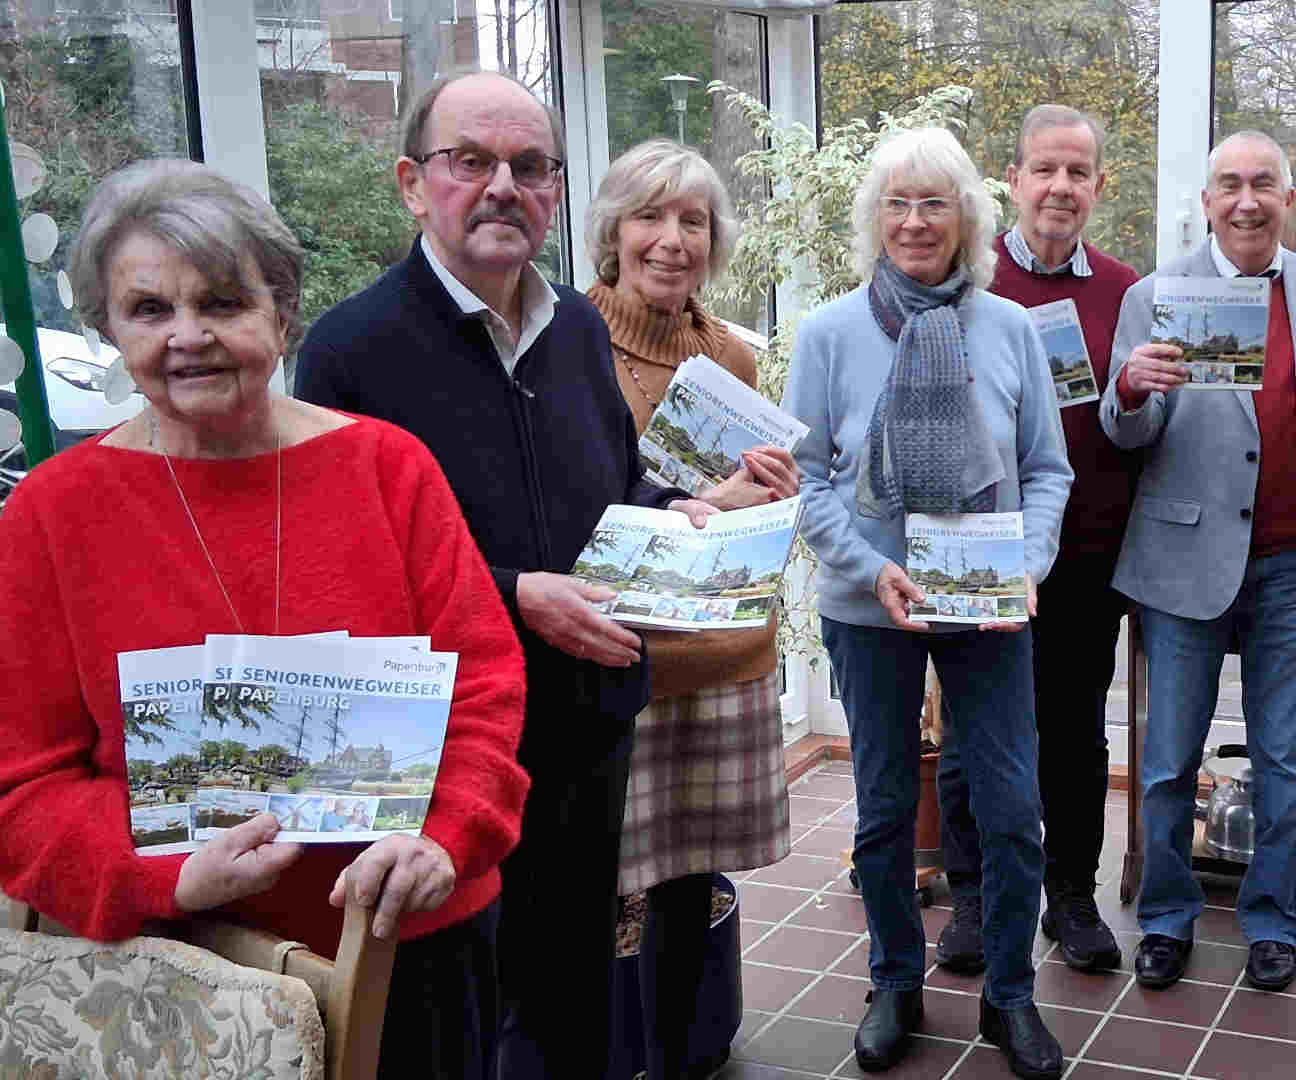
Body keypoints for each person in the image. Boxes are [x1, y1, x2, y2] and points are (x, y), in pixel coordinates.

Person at [0, 159, 529, 1079]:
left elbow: (484, 687)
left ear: (281, 313)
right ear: (106, 329)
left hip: (408, 940)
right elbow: (22, 783)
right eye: (150, 310)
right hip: (185, 963)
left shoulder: (386, 468)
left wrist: (446, 833)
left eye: (223, 302)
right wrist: (164, 875)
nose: (189, 337)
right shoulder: (51, 514)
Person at [293, 71, 713, 1080]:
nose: (501, 187)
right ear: (410, 182)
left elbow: (611, 489)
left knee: (572, 990)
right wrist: (521, 594)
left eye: (529, 167)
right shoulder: (348, 351)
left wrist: (678, 519)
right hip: (440, 755)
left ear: (556, 193)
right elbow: (345, 569)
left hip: (583, 724)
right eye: (469, 161)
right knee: (456, 1019)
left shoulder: (576, 327)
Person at [784, 126, 1073, 1080]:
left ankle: (1010, 997)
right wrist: (871, 569)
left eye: (934, 203)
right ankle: (895, 982)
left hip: (990, 605)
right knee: (883, 808)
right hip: (872, 605)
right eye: (898, 204)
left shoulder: (1012, 331)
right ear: (877, 218)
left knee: (1011, 808)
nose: (915, 222)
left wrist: (1030, 559)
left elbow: (1045, 469)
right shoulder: (829, 333)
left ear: (968, 219)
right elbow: (811, 475)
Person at [1100, 131, 1296, 992]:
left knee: (1285, 760)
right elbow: (1123, 433)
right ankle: (1167, 917)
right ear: (1205, 202)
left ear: (1289, 196)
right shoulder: (1156, 294)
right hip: (1181, 555)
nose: (1247, 201)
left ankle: (1273, 921)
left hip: (1292, 561)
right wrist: (1132, 388)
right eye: (1229, 186)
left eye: (1264, 185)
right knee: (1169, 758)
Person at [584, 138, 795, 1080]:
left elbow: (761, 505)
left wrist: (770, 491)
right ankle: (625, 1050)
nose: (672, 241)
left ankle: (698, 1041)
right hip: (620, 655)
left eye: (694, 221)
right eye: (650, 217)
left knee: (696, 870)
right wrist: (698, 505)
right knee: (615, 882)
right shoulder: (565, 340)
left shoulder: (733, 353)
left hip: (719, 653)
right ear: (611, 233)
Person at [934, 104, 1139, 977]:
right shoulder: (962, 283)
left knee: (1074, 730)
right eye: (1043, 170)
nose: (1060, 187)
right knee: (973, 728)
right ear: (1011, 180)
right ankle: (974, 898)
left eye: (1078, 173)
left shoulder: (1128, 290)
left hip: (1087, 553)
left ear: (1098, 187)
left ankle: (1071, 895)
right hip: (976, 550)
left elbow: (1142, 421)